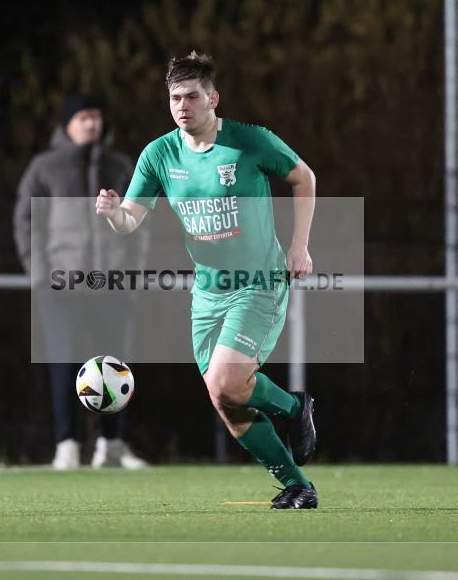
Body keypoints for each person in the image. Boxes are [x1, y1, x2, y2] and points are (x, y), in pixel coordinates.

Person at [95, 52, 318, 508]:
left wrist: (299, 245)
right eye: (175, 97)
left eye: (192, 96)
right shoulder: (159, 154)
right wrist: (113, 214)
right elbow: (130, 221)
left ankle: (296, 409)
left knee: (225, 379)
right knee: (225, 398)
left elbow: (304, 177)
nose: (182, 106)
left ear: (213, 98)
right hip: (207, 291)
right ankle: (297, 483)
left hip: (258, 282)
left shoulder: (249, 141)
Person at [14, 92, 148, 470]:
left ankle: (112, 446)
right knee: (64, 361)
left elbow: (140, 222)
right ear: (67, 124)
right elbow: (25, 221)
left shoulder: (121, 166)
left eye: (96, 117)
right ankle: (67, 446)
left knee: (115, 365)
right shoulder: (45, 167)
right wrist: (39, 275)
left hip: (112, 284)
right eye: (83, 117)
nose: (92, 123)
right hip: (62, 284)